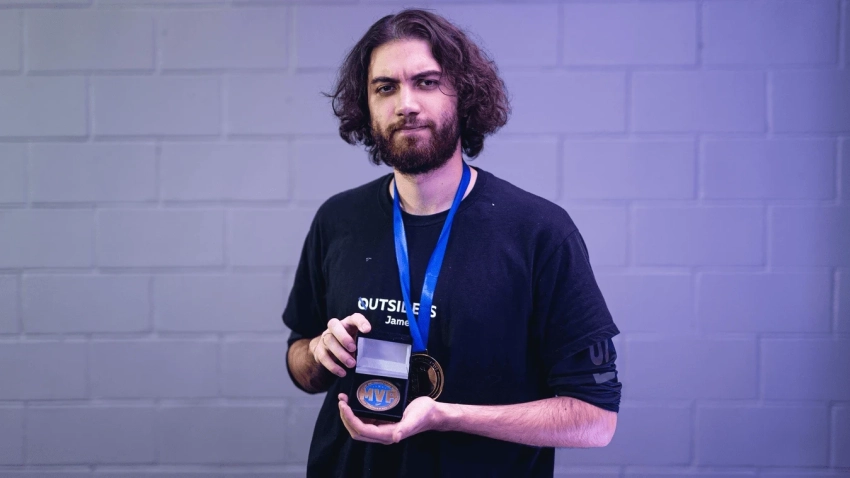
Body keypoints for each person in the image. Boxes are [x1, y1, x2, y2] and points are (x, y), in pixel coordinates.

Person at [283, 9, 622, 477]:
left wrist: (447, 415)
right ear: (366, 105)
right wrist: (320, 354)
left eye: (426, 82)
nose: (406, 104)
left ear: (463, 93)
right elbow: (299, 361)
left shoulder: (539, 231)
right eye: (386, 87)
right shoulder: (338, 219)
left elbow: (596, 419)